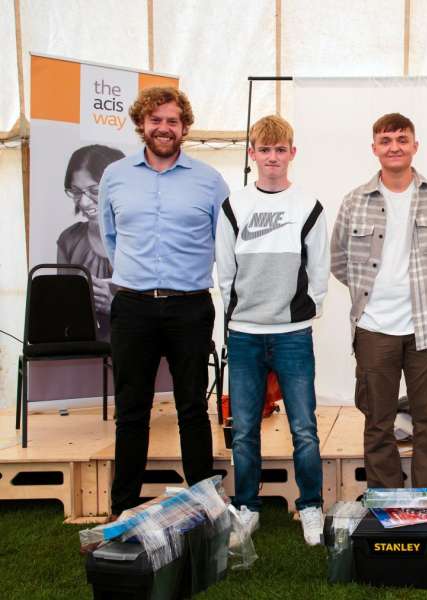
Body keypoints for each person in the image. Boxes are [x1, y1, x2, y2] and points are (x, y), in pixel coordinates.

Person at [99, 87, 229, 517]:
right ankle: (122, 510)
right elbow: (111, 238)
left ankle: (204, 510)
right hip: (133, 306)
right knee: (131, 411)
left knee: (193, 407)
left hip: (190, 307)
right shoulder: (115, 177)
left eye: (172, 121)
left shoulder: (209, 181)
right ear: (141, 124)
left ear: (185, 128)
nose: (164, 128)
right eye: (156, 120)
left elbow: (223, 241)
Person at [331, 113, 427, 490]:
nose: (394, 147)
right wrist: (368, 296)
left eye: (402, 139)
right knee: (378, 421)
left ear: (415, 146)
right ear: (374, 149)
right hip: (374, 329)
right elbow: (339, 259)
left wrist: (426, 292)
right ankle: (387, 505)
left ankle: (425, 504)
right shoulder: (355, 201)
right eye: (386, 140)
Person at [216, 115, 329, 545]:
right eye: (265, 150)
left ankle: (312, 506)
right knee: (243, 428)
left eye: (280, 150)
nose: (273, 158)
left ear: (292, 154)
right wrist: (235, 319)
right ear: (253, 154)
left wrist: (302, 312)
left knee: (304, 427)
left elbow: (318, 273)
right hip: (244, 334)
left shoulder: (308, 206)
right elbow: (223, 273)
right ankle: (247, 508)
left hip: (293, 334)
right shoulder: (235, 206)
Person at [57, 144, 124, 341]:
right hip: (82, 348)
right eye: (76, 191)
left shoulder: (142, 238)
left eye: (94, 190)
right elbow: (64, 308)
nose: (83, 202)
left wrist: (115, 306)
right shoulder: (69, 240)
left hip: (137, 346)